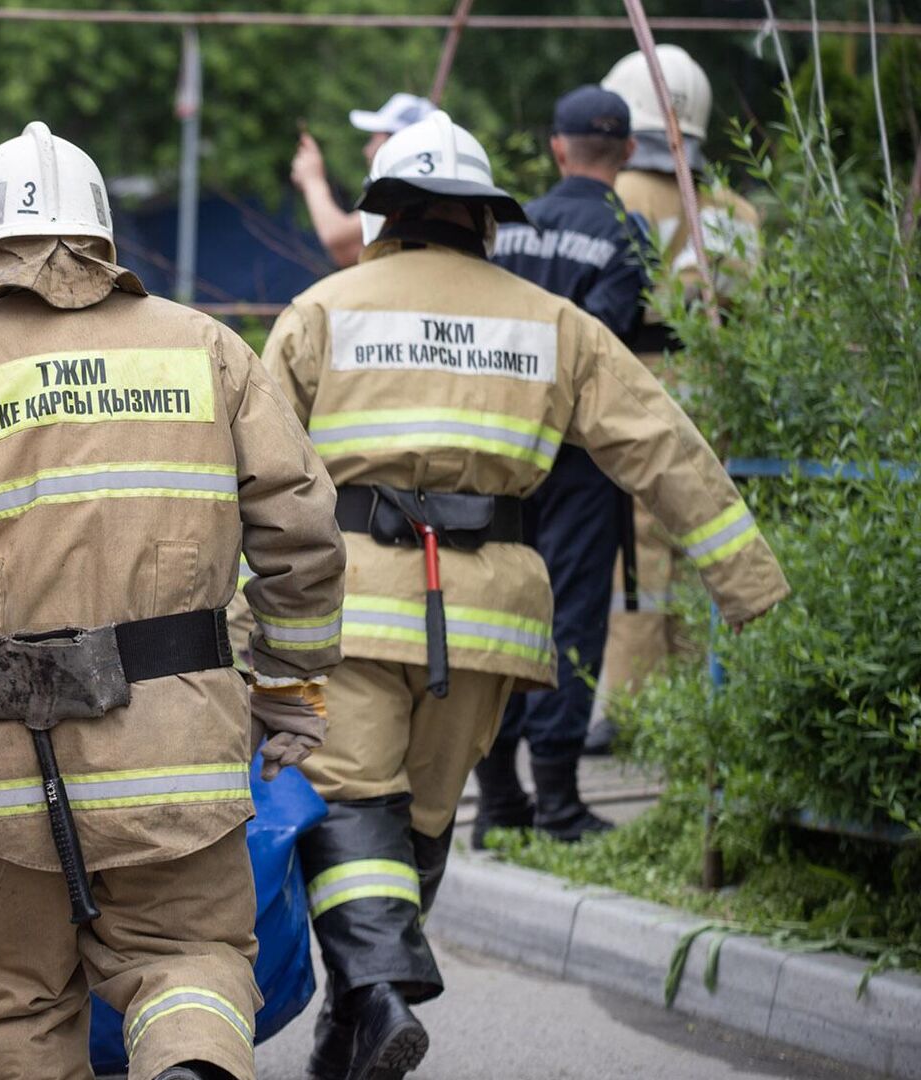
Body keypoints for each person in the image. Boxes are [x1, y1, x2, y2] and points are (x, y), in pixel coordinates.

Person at [0, 122, 348, 1080]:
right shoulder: (205, 349)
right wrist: (289, 682)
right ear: (102, 233)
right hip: (180, 754)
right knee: (190, 962)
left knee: (17, 998)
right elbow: (304, 531)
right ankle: (195, 1063)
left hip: (8, 762)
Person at [261, 111, 788, 1080]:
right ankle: (357, 1015)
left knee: (347, 802)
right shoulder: (551, 324)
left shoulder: (322, 311)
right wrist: (747, 581)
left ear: (384, 215)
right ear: (485, 221)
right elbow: (660, 446)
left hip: (348, 601)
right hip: (488, 616)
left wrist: (228, 615)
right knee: (420, 818)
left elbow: (254, 473)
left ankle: (376, 993)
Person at [475, 85, 652, 845]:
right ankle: (557, 801)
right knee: (569, 619)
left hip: (498, 453)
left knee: (499, 610)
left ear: (557, 148)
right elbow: (601, 350)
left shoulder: (510, 227)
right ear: (629, 153)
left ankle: (498, 800)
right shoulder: (626, 232)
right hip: (579, 458)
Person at [592, 45, 763, 751]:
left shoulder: (617, 196)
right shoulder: (739, 213)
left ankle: (631, 708)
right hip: (717, 392)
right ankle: (704, 699)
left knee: (638, 556)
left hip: (642, 385)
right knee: (705, 540)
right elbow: (757, 314)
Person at [291, 93, 436, 270]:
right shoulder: (425, 195)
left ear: (395, 142)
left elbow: (335, 235)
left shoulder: (413, 198)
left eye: (374, 138)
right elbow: (346, 252)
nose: (366, 150)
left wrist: (312, 180)